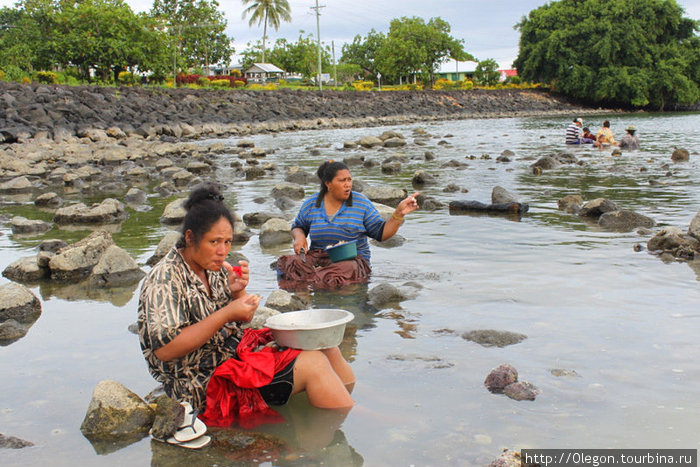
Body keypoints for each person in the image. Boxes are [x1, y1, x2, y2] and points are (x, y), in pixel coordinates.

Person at [138, 183, 355, 429]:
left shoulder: (214, 268)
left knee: (322, 344)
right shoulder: (165, 279)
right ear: (190, 238)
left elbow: (240, 321)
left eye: (228, 242)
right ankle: (347, 427)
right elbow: (165, 350)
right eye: (214, 242)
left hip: (234, 353)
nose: (223, 251)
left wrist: (237, 294)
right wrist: (226, 313)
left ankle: (350, 406)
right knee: (313, 364)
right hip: (200, 382)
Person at [277, 160, 419, 288]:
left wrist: (398, 214)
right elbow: (298, 226)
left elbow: (381, 234)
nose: (348, 184)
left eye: (349, 180)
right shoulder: (311, 204)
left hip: (353, 261)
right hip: (319, 257)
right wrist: (299, 237)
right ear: (328, 184)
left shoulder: (361, 203)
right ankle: (315, 280)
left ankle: (309, 282)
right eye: (342, 180)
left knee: (344, 270)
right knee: (288, 263)